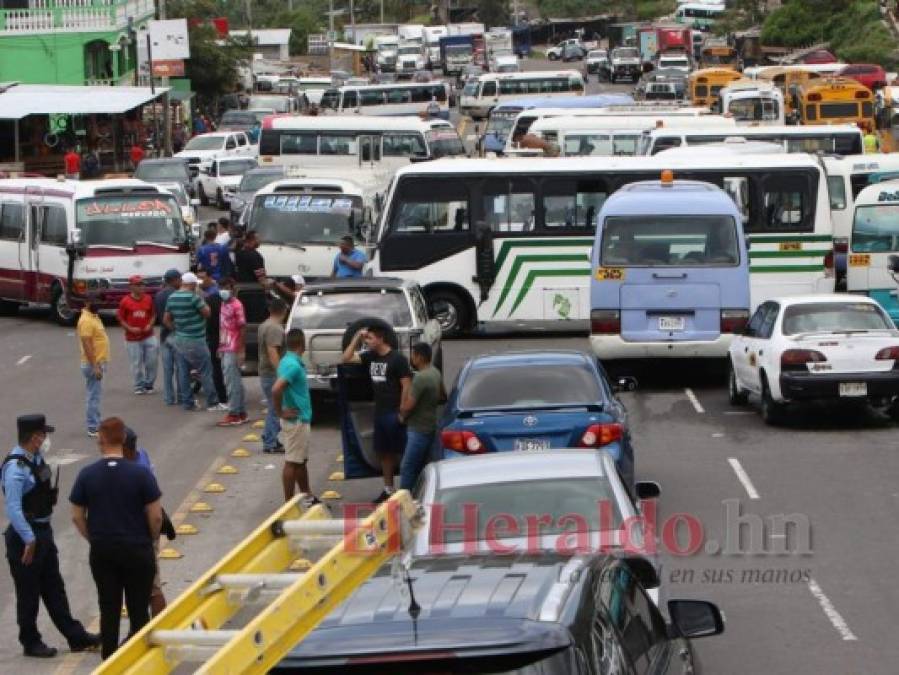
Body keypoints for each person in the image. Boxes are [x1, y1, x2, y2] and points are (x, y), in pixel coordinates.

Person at [2, 414, 100, 658]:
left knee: (55, 588)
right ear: (35, 437)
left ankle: (75, 636)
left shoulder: (34, 458)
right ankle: (30, 641)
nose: (46, 439)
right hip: (26, 536)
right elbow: (13, 508)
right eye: (43, 435)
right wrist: (29, 538)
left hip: (42, 532)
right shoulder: (16, 467)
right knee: (28, 592)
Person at [70, 417, 162, 660]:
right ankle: (140, 660)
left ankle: (109, 659)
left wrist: (94, 538)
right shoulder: (141, 475)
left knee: (108, 607)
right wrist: (149, 539)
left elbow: (77, 516)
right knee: (138, 609)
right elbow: (155, 517)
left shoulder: (87, 475)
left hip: (103, 551)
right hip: (137, 549)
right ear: (123, 440)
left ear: (100, 440)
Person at [341, 325, 412, 503]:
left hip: (394, 412)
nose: (367, 342)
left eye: (370, 338)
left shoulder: (397, 359)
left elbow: (406, 384)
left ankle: (408, 489)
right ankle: (388, 489)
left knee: (403, 452)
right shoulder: (370, 356)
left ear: (381, 338)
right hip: (379, 412)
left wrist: (403, 410)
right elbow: (346, 358)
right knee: (384, 453)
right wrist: (357, 337)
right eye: (366, 339)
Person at [163, 272, 226, 412]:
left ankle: (188, 403)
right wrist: (199, 296)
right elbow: (207, 313)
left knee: (183, 371)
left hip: (179, 339)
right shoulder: (194, 297)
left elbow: (166, 319)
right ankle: (213, 402)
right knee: (205, 371)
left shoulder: (172, 297)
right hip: (196, 339)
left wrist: (178, 328)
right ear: (191, 285)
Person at [122, 428, 168, 617]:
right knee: (146, 585)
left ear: (126, 449)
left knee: (151, 587)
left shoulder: (135, 470)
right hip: (145, 528)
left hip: (142, 529)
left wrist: (152, 536)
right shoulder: (143, 456)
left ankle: (157, 628)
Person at [272, 329, 315, 501]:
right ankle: (288, 503)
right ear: (301, 344)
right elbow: (276, 388)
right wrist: (279, 412)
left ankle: (307, 496)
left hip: (299, 418)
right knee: (292, 462)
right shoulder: (293, 366)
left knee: (300, 461)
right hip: (296, 420)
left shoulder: (286, 361)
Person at [398, 342, 444, 491]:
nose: (411, 358)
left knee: (407, 466)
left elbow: (409, 405)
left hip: (418, 429)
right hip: (431, 425)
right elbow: (443, 395)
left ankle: (406, 500)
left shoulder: (421, 378)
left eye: (413, 355)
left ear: (419, 357)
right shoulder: (435, 372)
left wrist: (402, 414)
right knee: (427, 465)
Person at [116, 275, 158, 395]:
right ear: (131, 287)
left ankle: (149, 384)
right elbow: (120, 318)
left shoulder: (148, 299)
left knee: (152, 362)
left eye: (142, 284)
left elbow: (153, 315)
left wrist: (150, 324)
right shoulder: (125, 301)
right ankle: (139, 385)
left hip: (148, 336)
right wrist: (130, 328)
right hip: (132, 339)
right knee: (136, 363)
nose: (141, 287)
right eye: (138, 285)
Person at [217, 277, 248, 426]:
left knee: (232, 381)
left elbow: (242, 328)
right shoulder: (223, 303)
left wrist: (241, 350)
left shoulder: (237, 305)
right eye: (221, 286)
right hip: (225, 346)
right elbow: (223, 327)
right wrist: (220, 346)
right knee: (233, 380)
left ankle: (234, 413)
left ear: (232, 288)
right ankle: (240, 411)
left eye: (226, 286)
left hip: (234, 347)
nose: (223, 289)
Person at [77, 293, 109, 438]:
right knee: (93, 396)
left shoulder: (93, 317)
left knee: (95, 394)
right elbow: (87, 344)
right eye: (96, 301)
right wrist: (95, 365)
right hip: (93, 364)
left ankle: (96, 423)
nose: (99, 304)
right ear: (87, 302)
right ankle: (93, 427)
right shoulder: (86, 321)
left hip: (98, 362)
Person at [258, 297, 287, 453]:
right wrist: (281, 373)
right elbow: (272, 351)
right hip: (272, 373)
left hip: (266, 372)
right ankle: (270, 442)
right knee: (276, 408)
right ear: (284, 310)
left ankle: (270, 437)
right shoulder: (275, 328)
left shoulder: (264, 325)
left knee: (273, 407)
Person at [198, 270, 228, 404]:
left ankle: (221, 397)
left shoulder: (209, 298)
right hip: (226, 336)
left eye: (203, 278)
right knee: (225, 367)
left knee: (216, 368)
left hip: (215, 337)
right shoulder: (230, 300)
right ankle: (226, 395)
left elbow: (206, 319)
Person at [155, 269, 182, 406]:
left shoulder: (158, 295)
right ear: (174, 280)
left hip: (164, 335)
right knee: (181, 368)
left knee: (167, 369)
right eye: (180, 279)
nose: (181, 281)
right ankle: (182, 396)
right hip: (176, 333)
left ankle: (169, 398)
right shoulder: (177, 294)